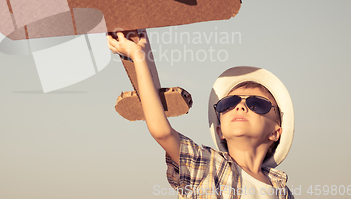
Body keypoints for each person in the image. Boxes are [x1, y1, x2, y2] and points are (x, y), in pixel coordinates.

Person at [107, 31, 295, 199]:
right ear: (220, 131)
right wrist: (139, 57)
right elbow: (162, 132)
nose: (240, 107)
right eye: (229, 103)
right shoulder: (207, 165)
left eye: (257, 104)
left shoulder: (281, 191)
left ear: (275, 132)